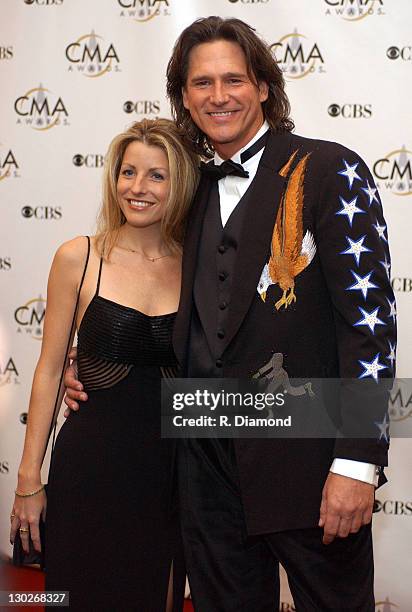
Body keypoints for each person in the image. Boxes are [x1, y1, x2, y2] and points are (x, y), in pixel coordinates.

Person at [65, 16, 397, 611]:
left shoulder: (329, 170)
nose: (218, 96)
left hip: (309, 458)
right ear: (184, 97)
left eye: (234, 80)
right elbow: (163, 308)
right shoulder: (185, 189)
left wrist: (358, 463)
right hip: (204, 465)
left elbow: (369, 327)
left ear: (264, 86)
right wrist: (94, 365)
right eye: (201, 84)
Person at [10, 118, 199, 611]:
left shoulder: (198, 268)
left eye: (156, 175)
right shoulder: (80, 256)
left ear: (178, 184)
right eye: (128, 172)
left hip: (168, 476)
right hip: (89, 470)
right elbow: (50, 370)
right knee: (74, 598)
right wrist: (29, 481)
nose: (137, 188)